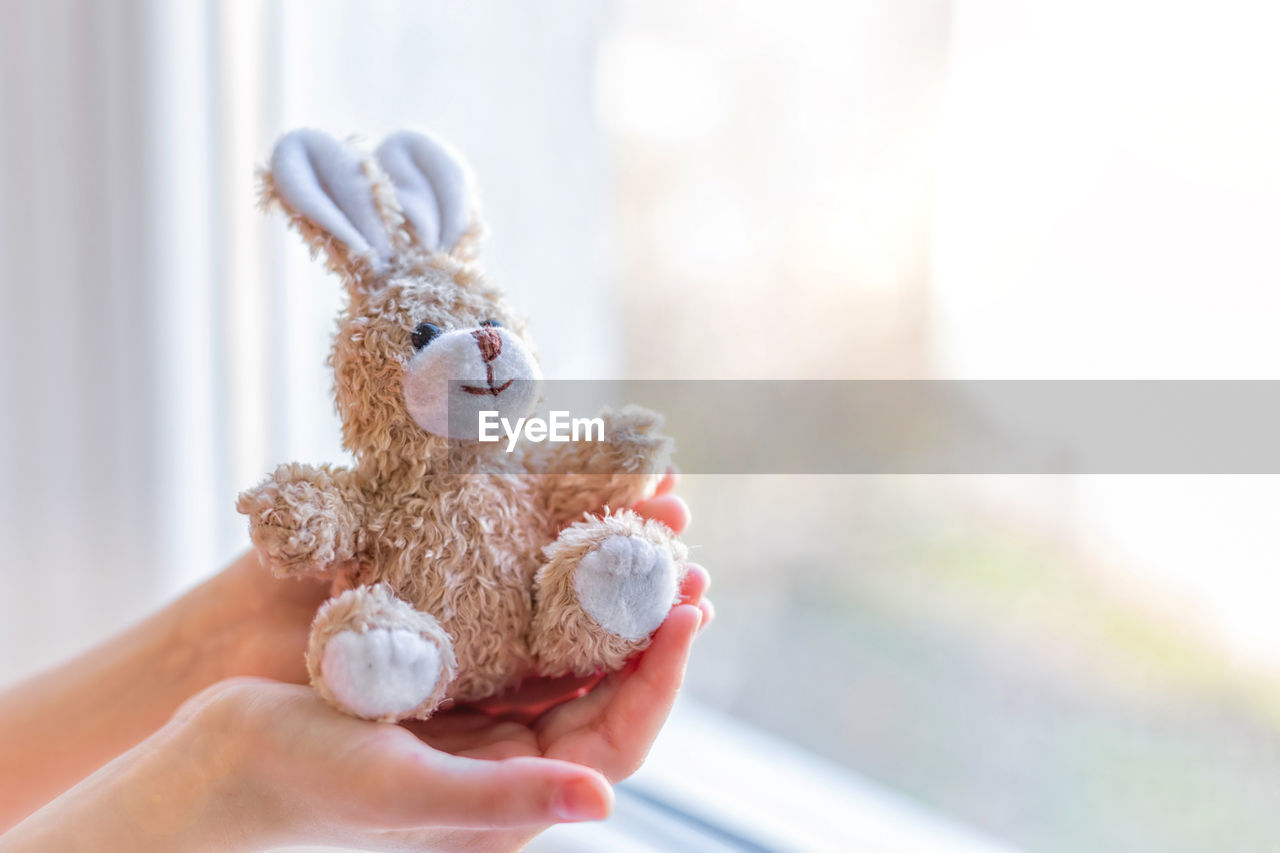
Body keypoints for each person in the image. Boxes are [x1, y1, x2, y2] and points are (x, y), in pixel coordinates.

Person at [0, 474, 712, 851]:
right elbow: (315, 510)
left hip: (511, 625)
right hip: (408, 627)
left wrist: (216, 643)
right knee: (378, 641)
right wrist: (217, 777)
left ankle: (590, 591)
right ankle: (388, 660)